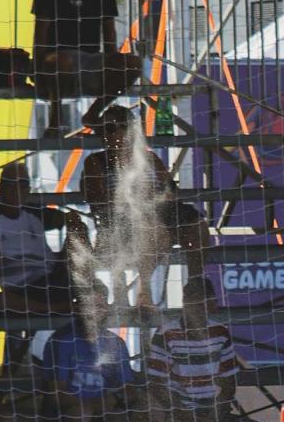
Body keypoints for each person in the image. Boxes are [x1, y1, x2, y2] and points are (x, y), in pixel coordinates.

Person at [79, 104, 207, 309]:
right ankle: (144, 291)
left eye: (111, 129)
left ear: (127, 130)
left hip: (156, 214)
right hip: (121, 220)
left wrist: (155, 197)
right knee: (152, 227)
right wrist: (132, 196)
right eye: (102, 130)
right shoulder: (96, 161)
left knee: (197, 225)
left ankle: (196, 287)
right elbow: (98, 200)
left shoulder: (149, 159)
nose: (105, 135)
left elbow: (170, 192)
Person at [146, 275, 275, 422]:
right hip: (180, 415)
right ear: (184, 304)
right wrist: (190, 417)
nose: (197, 309)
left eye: (203, 303)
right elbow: (157, 385)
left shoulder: (220, 333)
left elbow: (228, 385)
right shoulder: (166, 333)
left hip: (215, 416)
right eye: (193, 303)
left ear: (212, 305)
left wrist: (213, 418)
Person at [30, 0, 139, 135]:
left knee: (133, 64)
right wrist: (37, 67)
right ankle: (56, 121)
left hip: (91, 57)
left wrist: (112, 61)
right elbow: (41, 29)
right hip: (57, 57)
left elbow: (108, 26)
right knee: (60, 62)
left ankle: (94, 113)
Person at [0, 161, 75, 317]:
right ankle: (52, 308)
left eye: (23, 184)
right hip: (20, 289)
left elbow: (70, 220)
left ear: (28, 189)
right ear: (0, 187)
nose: (17, 190)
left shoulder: (38, 215)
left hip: (53, 280)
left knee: (78, 232)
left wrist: (74, 224)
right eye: (11, 184)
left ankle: (56, 306)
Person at [36, 306, 139, 422]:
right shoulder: (62, 341)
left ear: (106, 309)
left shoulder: (115, 343)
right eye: (89, 306)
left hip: (107, 412)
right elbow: (56, 395)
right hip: (67, 416)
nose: (94, 312)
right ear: (78, 309)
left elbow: (130, 391)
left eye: (99, 307)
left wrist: (116, 400)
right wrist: (93, 405)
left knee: (147, 413)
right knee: (81, 414)